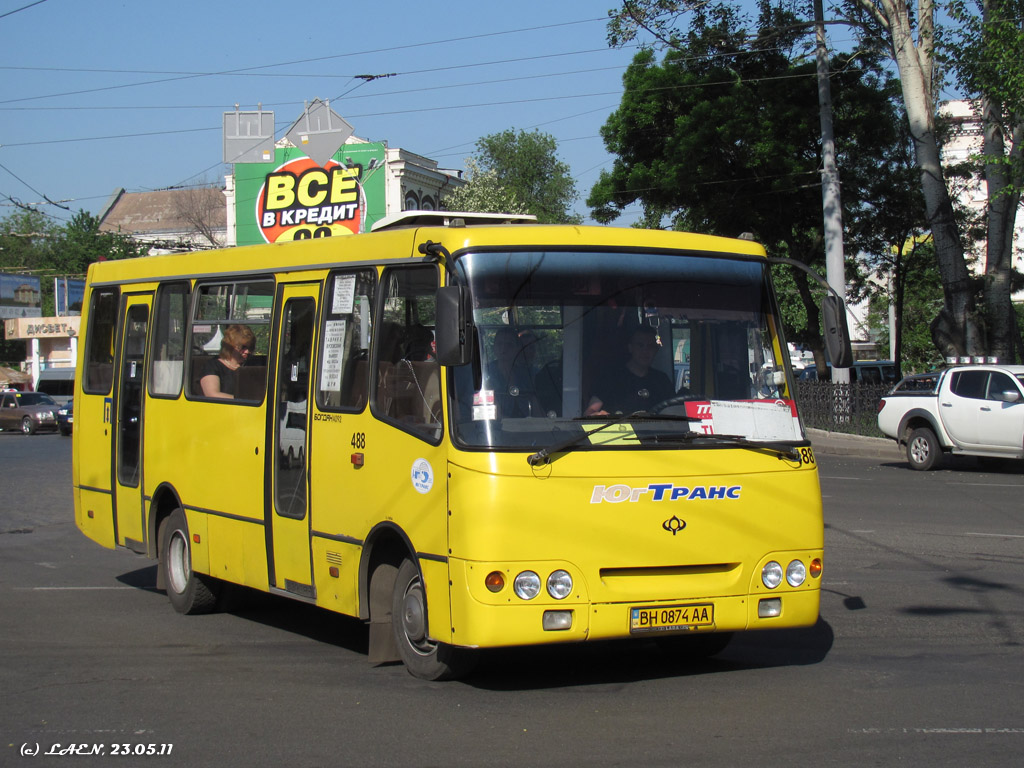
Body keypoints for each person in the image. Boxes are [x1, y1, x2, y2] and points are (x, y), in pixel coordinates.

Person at [585, 325, 675, 416]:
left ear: (656, 350)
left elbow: (674, 414)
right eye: (640, 345)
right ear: (630, 348)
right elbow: (590, 412)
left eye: (650, 346)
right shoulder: (611, 378)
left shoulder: (662, 381)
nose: (645, 351)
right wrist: (600, 416)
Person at [485, 327, 540, 417]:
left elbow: (536, 407)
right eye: (500, 344)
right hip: (496, 428)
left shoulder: (528, 374)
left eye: (509, 344)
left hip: (528, 427)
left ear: (517, 348)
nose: (503, 348)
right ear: (494, 347)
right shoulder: (484, 374)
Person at [200, 324, 256, 399]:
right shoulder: (212, 366)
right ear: (230, 346)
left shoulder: (253, 365)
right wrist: (243, 400)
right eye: (243, 347)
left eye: (250, 347)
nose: (247, 351)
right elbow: (212, 394)